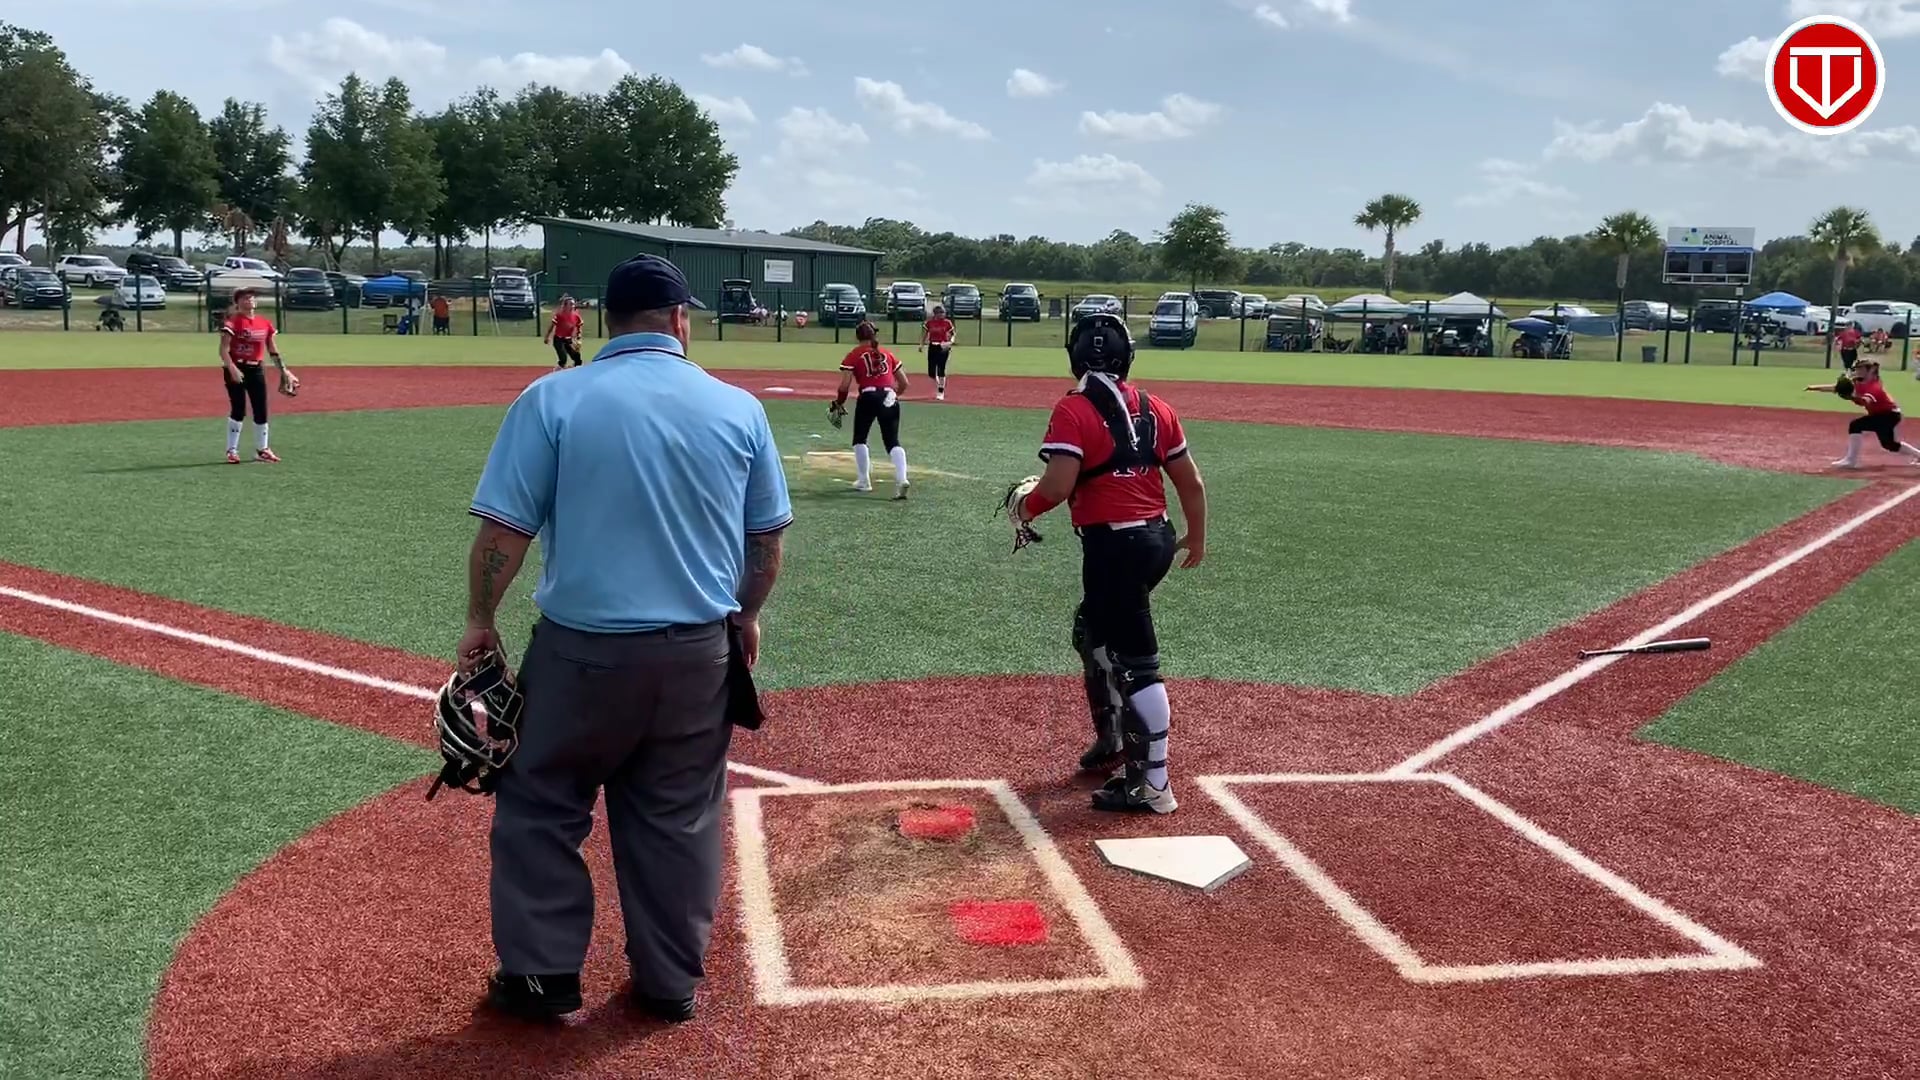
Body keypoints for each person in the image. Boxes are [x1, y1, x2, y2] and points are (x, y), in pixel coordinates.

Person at [459, 253, 794, 1023]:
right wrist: (745, 615)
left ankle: (541, 975)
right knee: (679, 818)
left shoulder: (553, 397)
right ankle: (669, 982)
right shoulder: (737, 407)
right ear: (680, 319)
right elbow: (766, 545)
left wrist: (480, 620)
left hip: (579, 655)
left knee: (540, 802)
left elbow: (503, 534)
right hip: (697, 654)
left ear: (606, 321)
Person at [1013, 314, 1206, 814]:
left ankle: (1152, 784)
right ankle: (1115, 737)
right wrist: (1197, 535)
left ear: (1075, 358)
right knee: (1092, 631)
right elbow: (1190, 482)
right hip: (1155, 540)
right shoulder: (1156, 407)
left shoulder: (1073, 408)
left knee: (1138, 662)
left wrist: (1025, 507)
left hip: (1115, 547)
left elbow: (1057, 486)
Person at [830, 320, 912, 499]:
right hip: (889, 395)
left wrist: (839, 402)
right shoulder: (887, 353)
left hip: (868, 396)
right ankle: (902, 479)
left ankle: (864, 481)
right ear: (875, 334)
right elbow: (904, 382)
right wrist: (893, 395)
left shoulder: (854, 354)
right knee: (892, 441)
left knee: (860, 438)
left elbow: (844, 385)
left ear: (857, 336)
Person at [218, 288, 295, 463]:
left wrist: (284, 371)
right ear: (238, 303)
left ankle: (262, 450)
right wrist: (232, 368)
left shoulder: (264, 323)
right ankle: (232, 450)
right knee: (238, 408)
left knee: (261, 408)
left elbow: (272, 350)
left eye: (252, 297)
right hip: (236, 367)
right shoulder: (233, 322)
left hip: (256, 368)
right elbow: (223, 349)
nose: (250, 300)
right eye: (245, 298)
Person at [1806, 356, 1920, 468]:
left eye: (1861, 368)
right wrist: (1813, 388)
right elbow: (1836, 388)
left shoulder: (1874, 387)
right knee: (1890, 445)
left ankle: (1851, 460)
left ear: (1870, 371)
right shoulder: (1856, 382)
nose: (1857, 371)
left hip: (1889, 415)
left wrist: (1851, 397)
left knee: (1856, 425)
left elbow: (1865, 401)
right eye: (1857, 368)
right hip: (1884, 415)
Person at [920, 303, 957, 400]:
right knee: (931, 372)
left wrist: (950, 342)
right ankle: (939, 386)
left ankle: (941, 391)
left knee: (941, 369)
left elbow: (953, 334)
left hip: (943, 347)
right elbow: (924, 334)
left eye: (943, 313)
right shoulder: (930, 323)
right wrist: (921, 345)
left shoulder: (947, 323)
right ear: (936, 314)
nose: (943, 315)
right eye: (940, 313)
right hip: (932, 346)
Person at [545, 296, 584, 368]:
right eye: (571, 304)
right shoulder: (559, 315)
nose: (573, 306)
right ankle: (559, 370)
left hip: (568, 340)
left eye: (573, 304)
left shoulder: (576, 316)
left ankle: (575, 371)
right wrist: (547, 337)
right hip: (558, 339)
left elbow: (579, 326)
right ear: (565, 305)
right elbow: (552, 326)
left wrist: (578, 338)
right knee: (563, 358)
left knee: (577, 358)